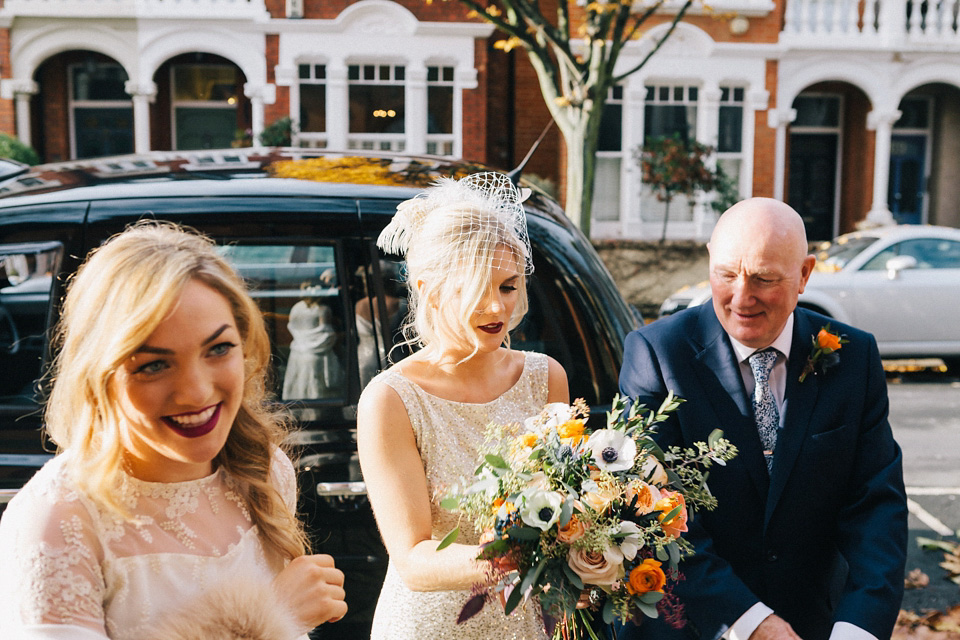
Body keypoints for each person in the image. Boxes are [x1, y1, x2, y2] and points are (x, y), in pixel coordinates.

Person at [0, 222, 347, 640]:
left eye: (218, 349)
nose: (196, 392)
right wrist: (272, 613)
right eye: (153, 365)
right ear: (99, 375)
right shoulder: (59, 520)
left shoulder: (264, 470)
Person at [618, 198, 907, 640]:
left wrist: (859, 625)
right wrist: (748, 620)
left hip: (815, 622)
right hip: (693, 624)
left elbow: (875, 506)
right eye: (727, 274)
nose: (741, 297)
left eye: (764, 279)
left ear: (805, 276)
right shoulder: (657, 354)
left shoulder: (855, 357)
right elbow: (655, 510)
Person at [356, 172, 568, 639]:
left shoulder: (545, 377)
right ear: (430, 291)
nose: (497, 308)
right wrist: (513, 556)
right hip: (432, 627)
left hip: (528, 625)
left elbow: (566, 496)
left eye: (508, 286)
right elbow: (412, 559)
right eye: (476, 289)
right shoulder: (390, 399)